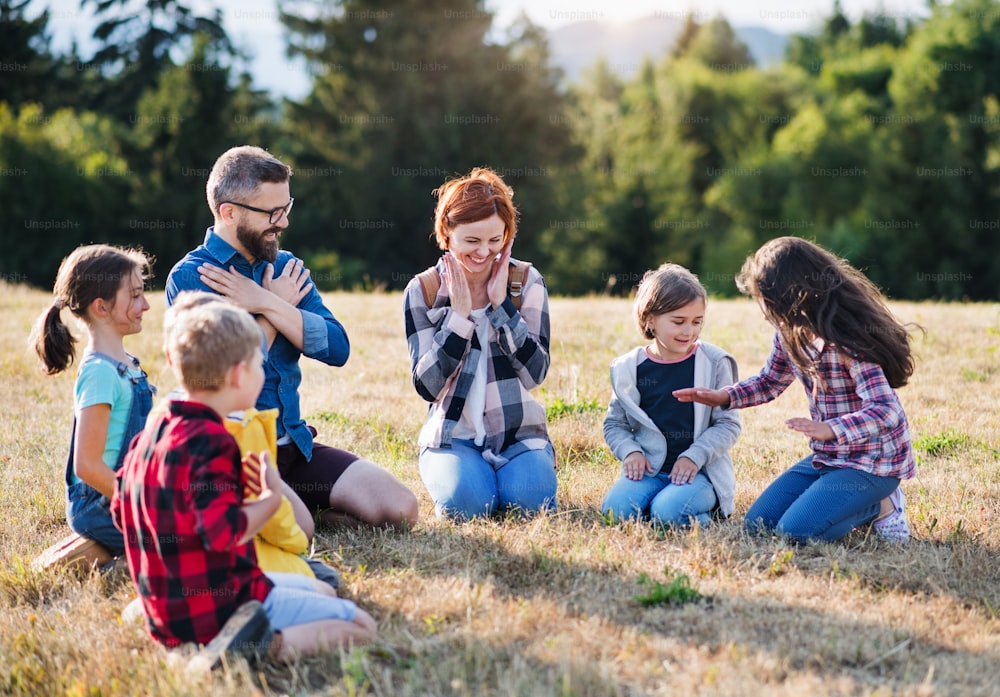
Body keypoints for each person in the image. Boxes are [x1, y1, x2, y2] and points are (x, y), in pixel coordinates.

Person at [165, 145, 418, 530]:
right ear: (228, 212)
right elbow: (224, 374)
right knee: (298, 531)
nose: (282, 223)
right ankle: (299, 513)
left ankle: (304, 506)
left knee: (401, 509)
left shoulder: (285, 268)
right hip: (234, 456)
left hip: (293, 447)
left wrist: (266, 301)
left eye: (286, 208)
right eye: (271, 213)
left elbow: (337, 348)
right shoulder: (191, 278)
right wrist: (277, 308)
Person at [111, 299, 376, 663]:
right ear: (239, 375)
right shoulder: (213, 441)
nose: (262, 375)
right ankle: (253, 648)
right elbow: (223, 532)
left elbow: (119, 506)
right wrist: (267, 501)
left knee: (324, 592)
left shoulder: (157, 426)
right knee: (362, 626)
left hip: (167, 609)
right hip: (220, 607)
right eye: (259, 366)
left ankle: (212, 642)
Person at [674, 236, 915, 543]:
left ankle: (882, 506)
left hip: (873, 463)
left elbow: (886, 411)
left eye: (764, 301)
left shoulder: (848, 342)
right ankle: (844, 498)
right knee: (758, 525)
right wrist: (726, 396)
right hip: (829, 458)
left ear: (789, 296)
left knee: (796, 532)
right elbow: (770, 381)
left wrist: (830, 429)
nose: (763, 313)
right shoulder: (789, 334)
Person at [403, 167, 557, 520]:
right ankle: (463, 476)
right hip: (452, 436)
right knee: (468, 506)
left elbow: (536, 374)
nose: (484, 252)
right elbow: (427, 386)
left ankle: (522, 469)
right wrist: (458, 320)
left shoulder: (526, 282)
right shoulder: (423, 291)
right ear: (447, 234)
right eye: (472, 241)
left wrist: (502, 305)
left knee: (531, 505)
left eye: (495, 240)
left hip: (519, 434)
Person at [29, 244, 154, 556]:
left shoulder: (128, 363)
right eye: (136, 295)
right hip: (101, 504)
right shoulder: (100, 373)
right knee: (187, 542)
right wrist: (141, 503)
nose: (146, 304)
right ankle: (108, 563)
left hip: (125, 493)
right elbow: (86, 465)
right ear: (102, 307)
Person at [602, 264, 741, 527]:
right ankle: (659, 505)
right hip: (650, 471)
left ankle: (694, 514)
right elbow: (614, 424)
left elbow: (728, 424)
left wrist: (694, 455)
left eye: (697, 322)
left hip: (700, 473)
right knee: (615, 512)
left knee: (666, 514)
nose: (689, 331)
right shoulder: (628, 368)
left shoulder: (714, 363)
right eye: (678, 322)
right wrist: (631, 452)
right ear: (650, 319)